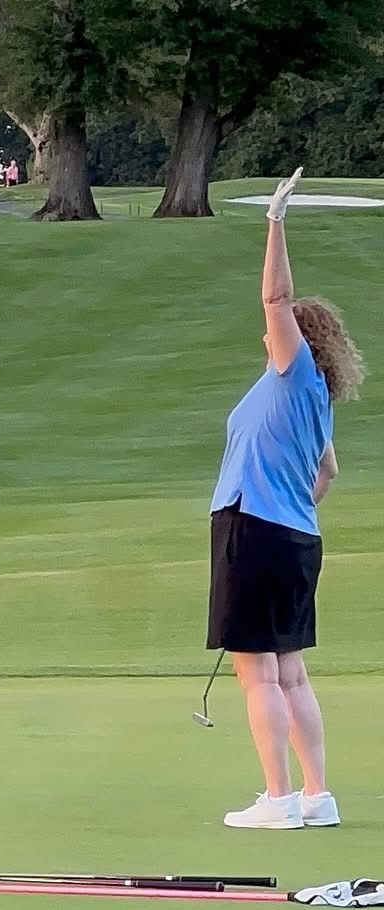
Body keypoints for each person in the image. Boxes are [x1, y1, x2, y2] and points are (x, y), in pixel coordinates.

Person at [208, 168, 366, 830]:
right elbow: (327, 471)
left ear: (302, 340)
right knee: (291, 672)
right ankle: (315, 793)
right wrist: (291, 508)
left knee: (261, 675)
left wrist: (275, 221)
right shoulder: (318, 400)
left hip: (255, 529)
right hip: (295, 537)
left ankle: (276, 798)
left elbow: (276, 297)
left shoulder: (292, 368)